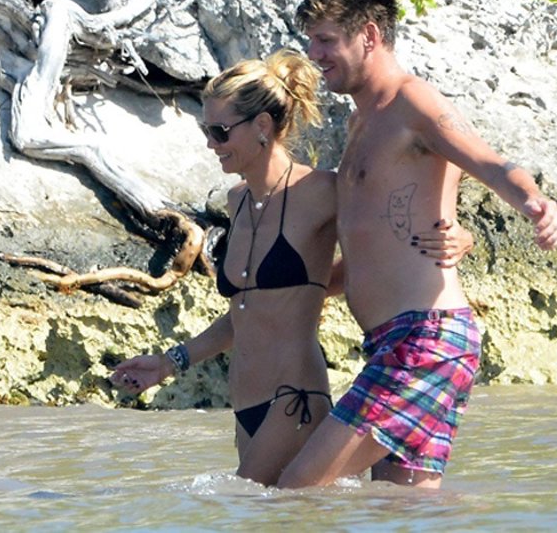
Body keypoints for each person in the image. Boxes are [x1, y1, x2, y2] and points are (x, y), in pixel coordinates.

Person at [110, 48, 473, 486]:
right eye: (207, 131)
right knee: (288, 514)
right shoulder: (237, 201)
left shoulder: (322, 190)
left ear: (262, 126)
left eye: (220, 132)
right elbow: (249, 311)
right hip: (246, 406)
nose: (211, 144)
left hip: (294, 397)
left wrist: (457, 231)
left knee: (244, 505)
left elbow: (394, 223)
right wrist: (170, 362)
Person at [276, 0, 557, 490]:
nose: (314, 54)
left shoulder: (413, 103)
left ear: (369, 36)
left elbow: (489, 163)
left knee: (297, 492)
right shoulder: (361, 122)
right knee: (402, 510)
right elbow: (374, 247)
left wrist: (535, 203)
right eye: (311, 41)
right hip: (398, 340)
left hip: (425, 340)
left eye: (326, 40)